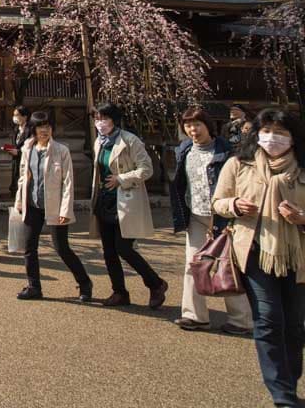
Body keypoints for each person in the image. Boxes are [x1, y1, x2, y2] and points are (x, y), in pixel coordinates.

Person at [213, 108, 305, 407]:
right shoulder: (239, 164)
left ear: (293, 138)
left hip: (298, 256)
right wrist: (235, 205)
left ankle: (289, 380)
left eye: (280, 132)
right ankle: (282, 395)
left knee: (294, 323)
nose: (272, 138)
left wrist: (301, 217)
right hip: (253, 252)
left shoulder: (302, 168)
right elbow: (218, 202)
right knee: (268, 319)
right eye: (266, 131)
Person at [170, 106, 252, 333]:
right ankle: (194, 316)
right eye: (188, 126)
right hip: (196, 215)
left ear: (208, 126)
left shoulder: (226, 151)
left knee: (228, 266)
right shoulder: (185, 150)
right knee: (193, 264)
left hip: (224, 217)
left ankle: (241, 321)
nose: (193, 130)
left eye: (197, 124)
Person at [88, 102, 168, 309]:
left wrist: (121, 179)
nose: (100, 123)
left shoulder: (130, 140)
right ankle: (119, 292)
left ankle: (155, 283)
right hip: (104, 200)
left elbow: (146, 169)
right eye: (97, 118)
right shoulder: (99, 141)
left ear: (114, 120)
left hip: (125, 200)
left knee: (123, 248)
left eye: (104, 118)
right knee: (109, 250)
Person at [13, 111, 93, 301]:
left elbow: (68, 182)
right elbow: (23, 177)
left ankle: (85, 283)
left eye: (48, 126)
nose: (45, 130)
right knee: (29, 247)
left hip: (55, 205)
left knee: (62, 248)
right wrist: (19, 201)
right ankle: (34, 287)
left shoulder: (61, 150)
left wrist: (65, 210)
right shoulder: (27, 148)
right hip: (32, 204)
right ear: (33, 129)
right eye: (40, 127)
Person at [6, 105, 32, 195]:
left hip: (26, 160)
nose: (14, 117)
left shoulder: (30, 130)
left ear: (25, 117)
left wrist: (19, 152)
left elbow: (31, 147)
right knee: (16, 179)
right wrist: (11, 149)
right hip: (16, 160)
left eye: (17, 115)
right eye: (14, 115)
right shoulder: (16, 129)